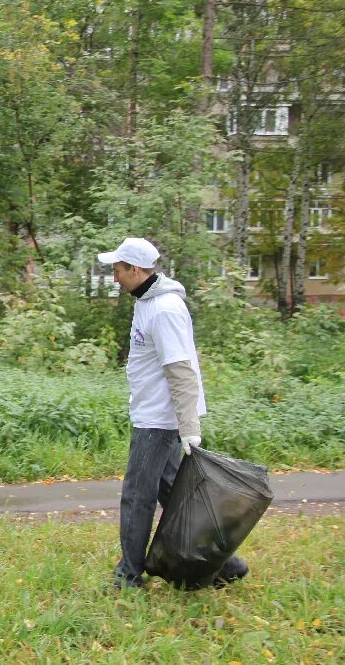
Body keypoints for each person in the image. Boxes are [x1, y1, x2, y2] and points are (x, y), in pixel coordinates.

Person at [98, 238, 248, 589]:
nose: (115, 277)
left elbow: (180, 370)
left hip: (159, 421)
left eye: (118, 270)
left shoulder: (165, 309)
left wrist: (189, 428)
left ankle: (128, 574)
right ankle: (227, 565)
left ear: (135, 270)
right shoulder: (145, 302)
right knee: (179, 498)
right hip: (152, 415)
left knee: (137, 496)